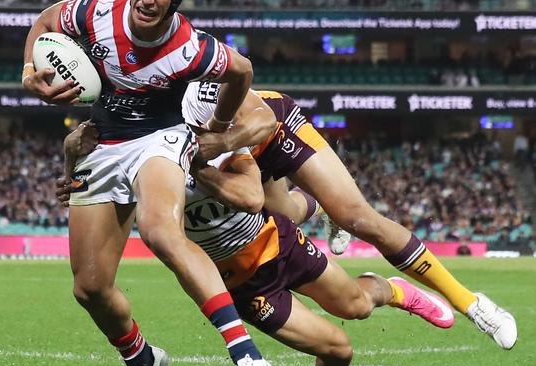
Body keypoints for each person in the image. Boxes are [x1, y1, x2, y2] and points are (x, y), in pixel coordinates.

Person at [21, 0, 276, 366]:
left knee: (160, 230)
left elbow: (242, 71)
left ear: (174, 2)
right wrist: (28, 72)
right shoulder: (96, 13)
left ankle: (247, 357)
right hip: (103, 144)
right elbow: (47, 19)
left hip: (161, 136)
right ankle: (141, 363)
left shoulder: (190, 48)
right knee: (89, 288)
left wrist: (218, 129)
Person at [56, 124, 456, 366]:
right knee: (338, 348)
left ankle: (396, 290)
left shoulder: (212, 135)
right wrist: (77, 178)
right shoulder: (134, 156)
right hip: (242, 286)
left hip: (277, 243)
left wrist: (194, 166)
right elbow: (103, 191)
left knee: (357, 306)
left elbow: (250, 194)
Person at [182, 84, 518, 350]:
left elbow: (261, 114)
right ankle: (323, 205)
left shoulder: (191, 83)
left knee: (358, 218)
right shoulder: (140, 120)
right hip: (237, 160)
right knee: (285, 213)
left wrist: (220, 142)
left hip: (269, 130)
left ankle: (472, 304)